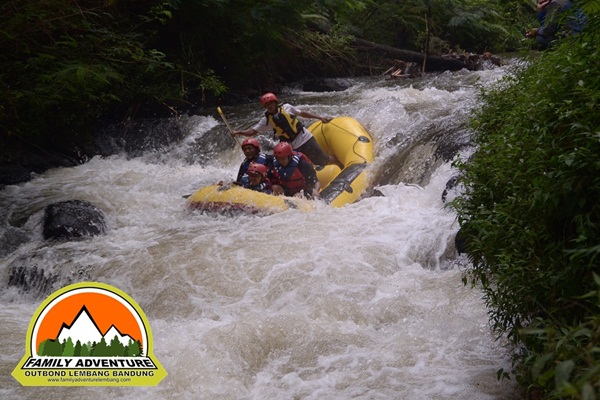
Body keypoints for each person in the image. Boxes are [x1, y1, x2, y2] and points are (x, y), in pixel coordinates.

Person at [232, 92, 335, 167]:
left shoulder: (287, 107)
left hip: (305, 138)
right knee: (299, 167)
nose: (270, 106)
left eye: (271, 103)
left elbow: (302, 113)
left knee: (323, 161)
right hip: (291, 147)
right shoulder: (266, 120)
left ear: (275, 102)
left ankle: (338, 163)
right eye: (267, 105)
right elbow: (253, 131)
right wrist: (239, 132)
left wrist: (319, 117)